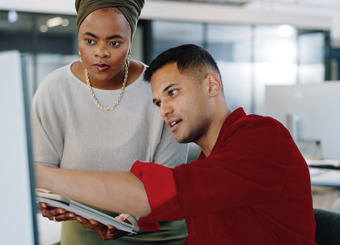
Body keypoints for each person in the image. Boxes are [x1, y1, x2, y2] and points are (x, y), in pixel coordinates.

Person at [35, 44, 317, 245]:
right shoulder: (208, 162)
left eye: (173, 93)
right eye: (158, 102)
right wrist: (128, 221)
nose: (164, 110)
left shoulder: (262, 136)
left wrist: (35, 174)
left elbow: (161, 192)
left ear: (211, 85)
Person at [31, 0, 188, 244]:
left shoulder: (158, 90)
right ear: (79, 38)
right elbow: (41, 171)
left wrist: (130, 217)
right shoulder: (54, 90)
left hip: (155, 227)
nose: (101, 52)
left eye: (114, 42)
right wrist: (47, 201)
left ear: (130, 42)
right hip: (83, 224)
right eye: (90, 40)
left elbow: (169, 177)